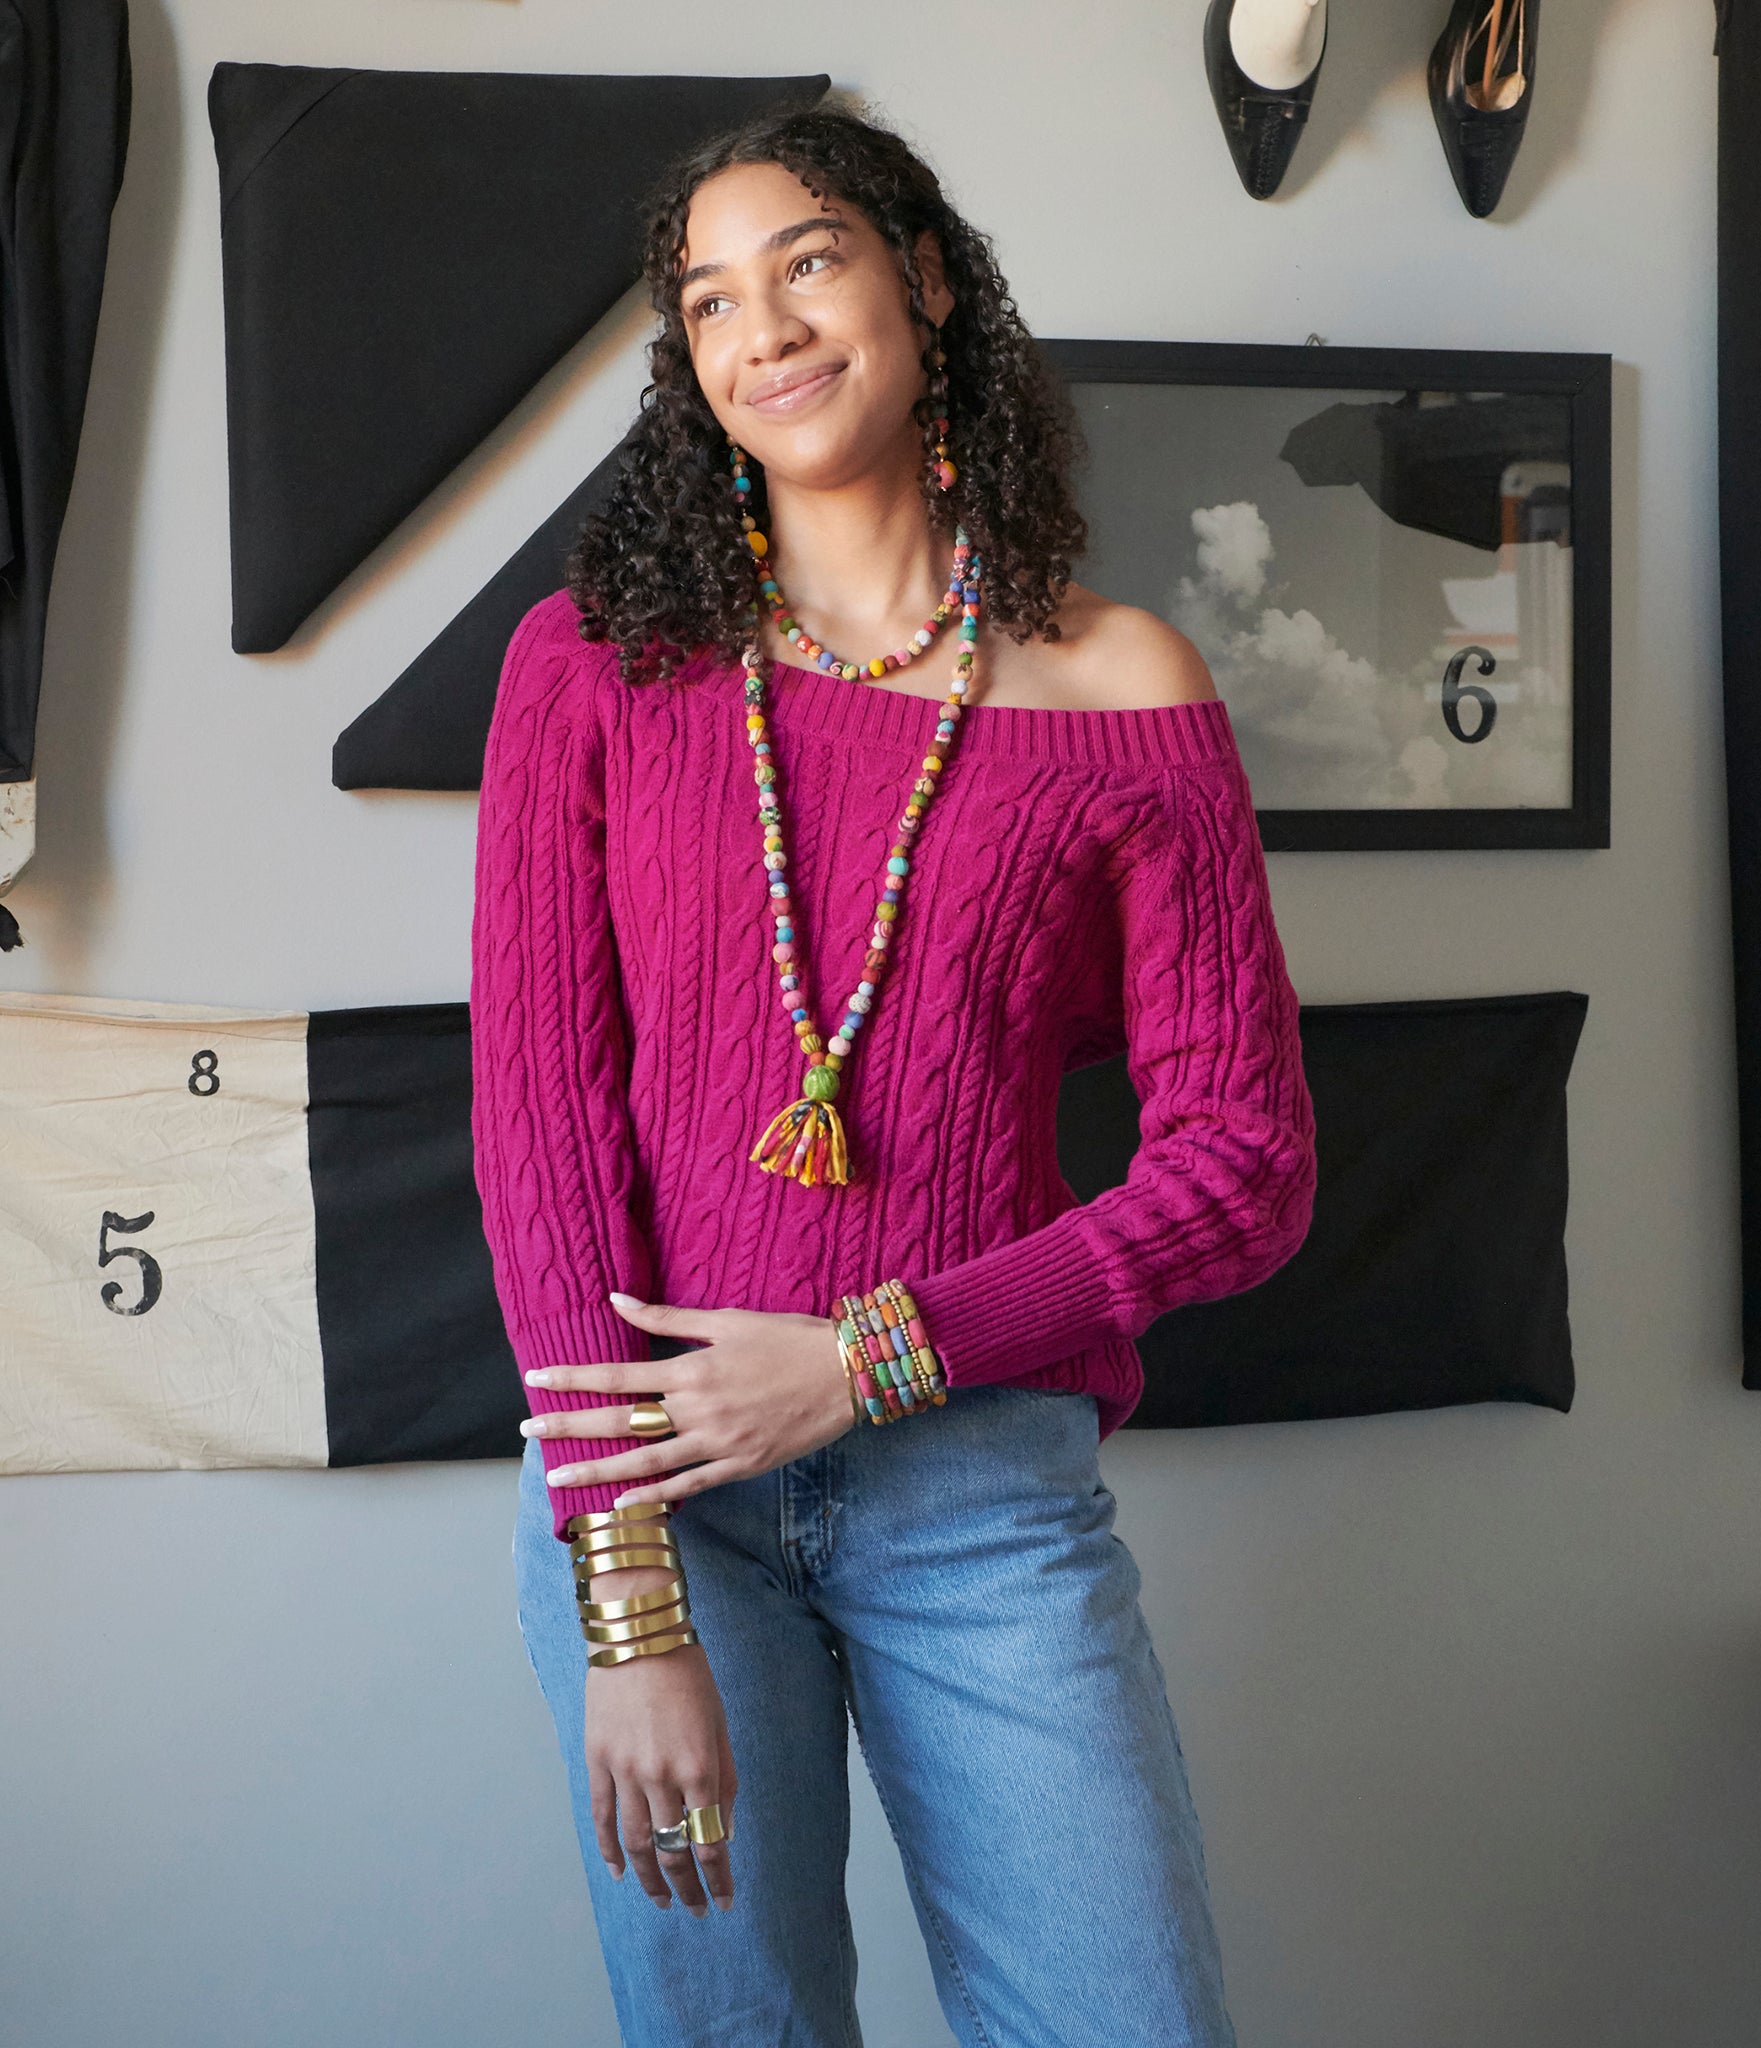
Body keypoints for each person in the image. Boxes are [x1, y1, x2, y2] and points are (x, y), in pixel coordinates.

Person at [469, 103, 1317, 2048]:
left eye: (808, 262)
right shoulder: (589, 667)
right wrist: (629, 1598)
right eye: (706, 299)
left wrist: (870, 1354)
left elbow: (1243, 1165)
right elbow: (539, 1132)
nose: (758, 326)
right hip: (659, 1493)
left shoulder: (1120, 690)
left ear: (923, 278)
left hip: (980, 1491)